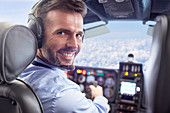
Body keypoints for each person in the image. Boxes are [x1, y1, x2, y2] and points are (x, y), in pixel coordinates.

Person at [19, 0, 110, 113]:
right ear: (38, 35)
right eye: (62, 33)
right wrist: (100, 97)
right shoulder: (61, 94)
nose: (74, 45)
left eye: (78, 35)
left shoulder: (19, 69)